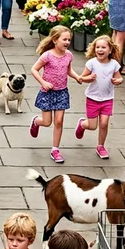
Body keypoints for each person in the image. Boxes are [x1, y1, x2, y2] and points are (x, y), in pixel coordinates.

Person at [30, 25, 83, 164]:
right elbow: (34, 70)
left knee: (59, 122)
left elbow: (69, 70)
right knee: (47, 122)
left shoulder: (69, 55)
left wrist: (77, 77)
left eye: (69, 40)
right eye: (64, 39)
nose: (67, 42)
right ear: (54, 40)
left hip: (62, 92)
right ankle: (36, 121)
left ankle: (55, 149)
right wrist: (43, 82)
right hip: (47, 92)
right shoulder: (47, 55)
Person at [75, 36, 123, 161]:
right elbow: (81, 78)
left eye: (103, 47)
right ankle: (82, 124)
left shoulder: (114, 64)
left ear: (110, 50)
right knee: (92, 126)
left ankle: (100, 146)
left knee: (104, 123)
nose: (100, 50)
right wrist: (88, 78)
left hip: (107, 99)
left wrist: (117, 81)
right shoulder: (91, 63)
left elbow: (120, 78)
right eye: (97, 47)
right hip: (92, 98)